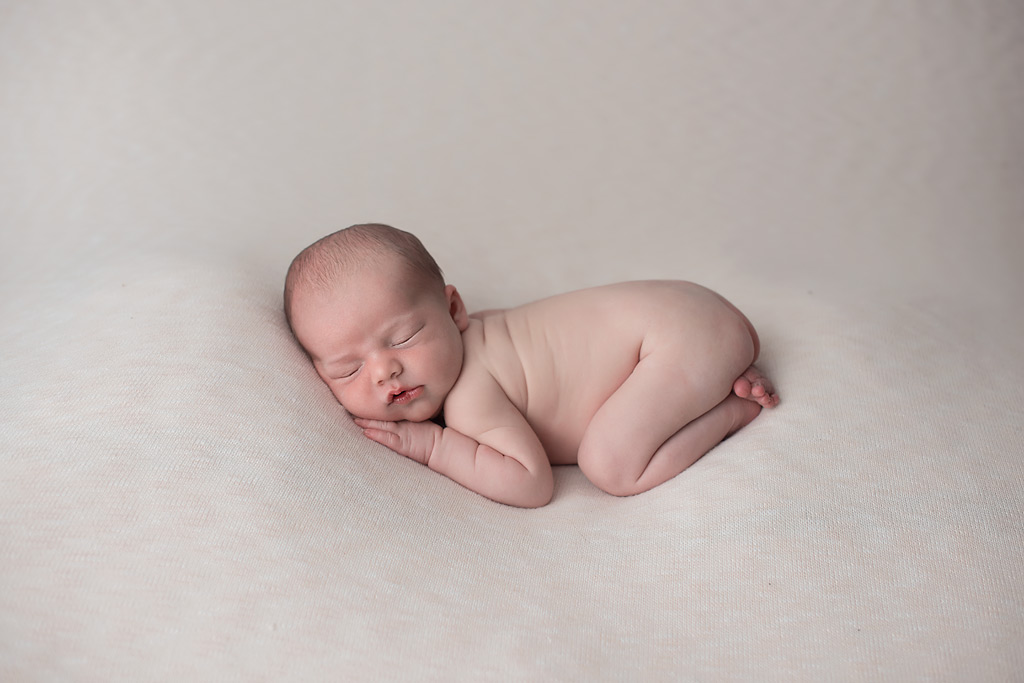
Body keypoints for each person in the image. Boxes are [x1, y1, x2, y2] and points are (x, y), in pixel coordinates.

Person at [284, 223, 779, 508]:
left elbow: (531, 482)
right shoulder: (483, 328)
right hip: (692, 311)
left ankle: (730, 409)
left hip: (678, 339)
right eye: (347, 369)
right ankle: (718, 370)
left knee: (611, 467)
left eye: (405, 337)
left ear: (455, 311)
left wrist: (434, 446)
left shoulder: (471, 397)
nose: (383, 372)